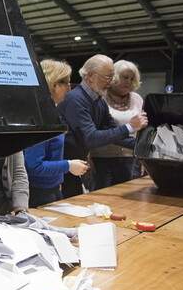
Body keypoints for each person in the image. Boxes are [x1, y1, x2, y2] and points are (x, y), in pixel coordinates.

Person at [57, 54, 148, 198]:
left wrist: (146, 147)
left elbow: (114, 134)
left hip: (74, 168)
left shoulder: (98, 101)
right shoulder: (76, 99)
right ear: (91, 76)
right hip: (63, 169)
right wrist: (130, 127)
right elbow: (90, 138)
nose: (111, 82)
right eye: (108, 77)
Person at [24, 60, 89, 207]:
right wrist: (68, 166)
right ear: (54, 85)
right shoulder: (40, 117)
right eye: (66, 82)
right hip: (38, 193)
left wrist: (58, 180)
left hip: (50, 188)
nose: (69, 87)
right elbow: (33, 165)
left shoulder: (51, 113)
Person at [89, 60, 144, 190]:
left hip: (131, 158)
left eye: (132, 78)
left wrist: (143, 154)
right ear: (115, 77)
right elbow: (96, 131)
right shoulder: (100, 98)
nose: (129, 81)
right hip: (102, 158)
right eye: (125, 77)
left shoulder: (137, 98)